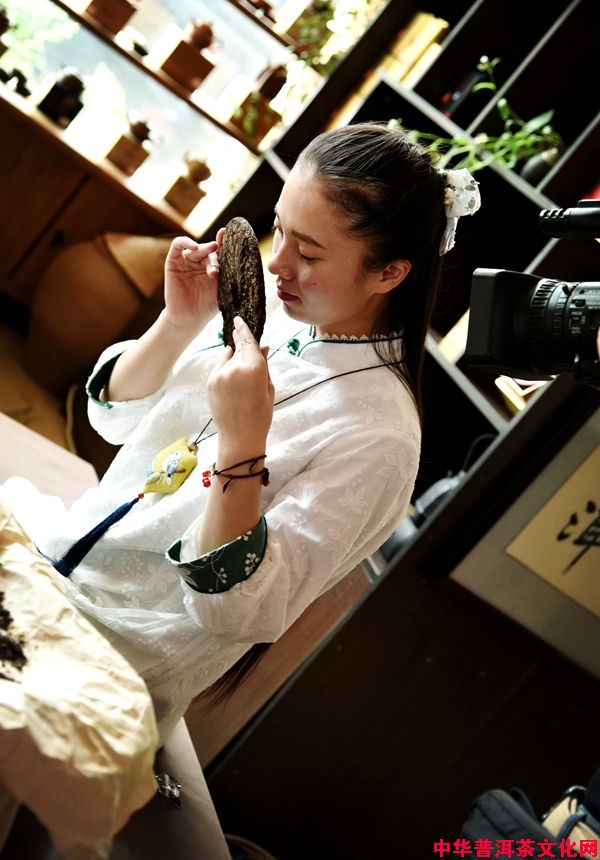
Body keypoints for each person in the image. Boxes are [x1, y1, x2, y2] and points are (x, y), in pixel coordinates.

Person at [2, 122, 480, 742]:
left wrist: (241, 442)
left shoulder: (380, 440)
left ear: (389, 273)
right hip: (58, 565)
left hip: (112, 661)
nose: (277, 263)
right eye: (279, 228)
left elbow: (237, 609)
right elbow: (112, 419)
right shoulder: (272, 309)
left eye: (309, 254)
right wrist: (178, 323)